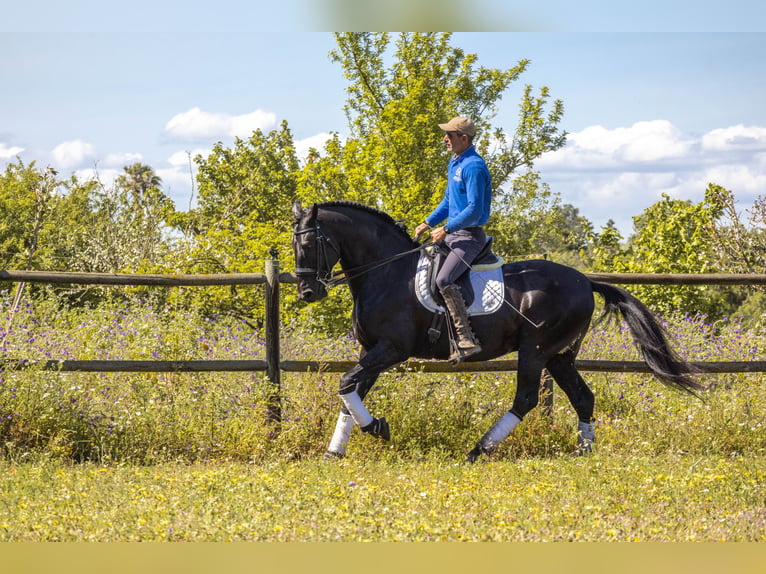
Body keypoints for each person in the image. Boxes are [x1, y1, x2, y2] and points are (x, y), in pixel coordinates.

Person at [414, 116, 493, 362]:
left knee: (444, 278)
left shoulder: (474, 167)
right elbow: (449, 202)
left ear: (464, 138)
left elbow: (474, 209)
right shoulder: (455, 162)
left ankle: (466, 338)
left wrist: (446, 229)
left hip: (468, 237)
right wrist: (428, 222)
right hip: (453, 234)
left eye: (449, 135)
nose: (445, 139)